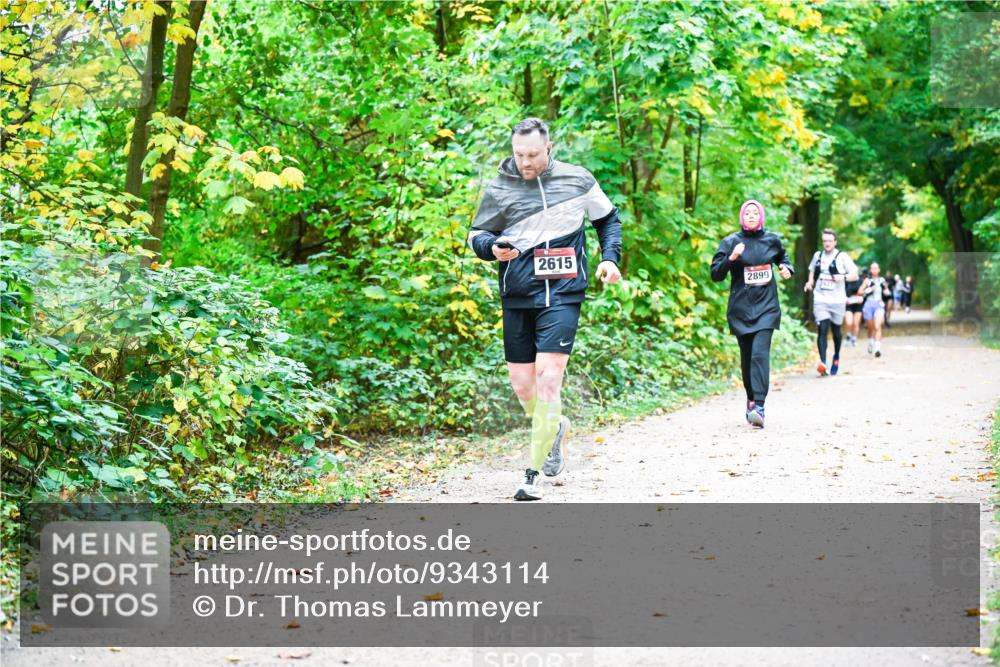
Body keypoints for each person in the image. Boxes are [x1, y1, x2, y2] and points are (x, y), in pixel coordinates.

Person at [467, 118, 622, 501]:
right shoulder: (501, 187)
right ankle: (553, 428)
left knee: (549, 377)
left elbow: (607, 219)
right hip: (518, 294)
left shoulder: (578, 180)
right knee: (523, 385)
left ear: (549, 149)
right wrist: (491, 248)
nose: (525, 162)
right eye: (519, 154)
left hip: (564, 293)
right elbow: (476, 236)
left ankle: (532, 476)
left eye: (533, 154)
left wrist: (610, 258)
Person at [711, 199, 794, 428]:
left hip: (767, 308)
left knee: (759, 354)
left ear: (761, 217)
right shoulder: (731, 242)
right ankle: (751, 398)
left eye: (754, 212)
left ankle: (759, 405)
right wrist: (732, 258)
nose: (750, 215)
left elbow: (784, 259)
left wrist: (787, 268)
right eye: (747, 212)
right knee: (747, 358)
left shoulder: (772, 240)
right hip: (741, 309)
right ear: (742, 217)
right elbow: (716, 274)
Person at [803, 229, 858, 376]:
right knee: (822, 329)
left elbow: (855, 274)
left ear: (835, 242)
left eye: (829, 241)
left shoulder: (842, 257)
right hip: (820, 298)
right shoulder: (818, 256)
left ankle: (836, 356)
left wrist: (843, 277)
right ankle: (823, 363)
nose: (827, 243)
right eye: (824, 241)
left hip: (838, 300)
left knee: (836, 331)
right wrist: (810, 282)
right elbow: (812, 271)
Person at [860, 262, 891, 357]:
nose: (874, 270)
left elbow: (886, 291)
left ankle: (877, 349)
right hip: (868, 305)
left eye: (876, 268)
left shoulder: (882, 280)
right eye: (872, 268)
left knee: (878, 326)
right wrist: (868, 290)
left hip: (879, 305)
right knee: (871, 328)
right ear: (870, 270)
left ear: (879, 270)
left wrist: (887, 292)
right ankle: (870, 341)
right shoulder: (867, 280)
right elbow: (860, 291)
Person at [844, 272, 864, 347]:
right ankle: (848, 336)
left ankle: (854, 339)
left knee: (856, 323)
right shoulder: (846, 281)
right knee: (849, 322)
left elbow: (865, 291)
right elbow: (841, 291)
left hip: (858, 305)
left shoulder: (861, 281)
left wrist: (862, 297)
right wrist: (845, 298)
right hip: (849, 305)